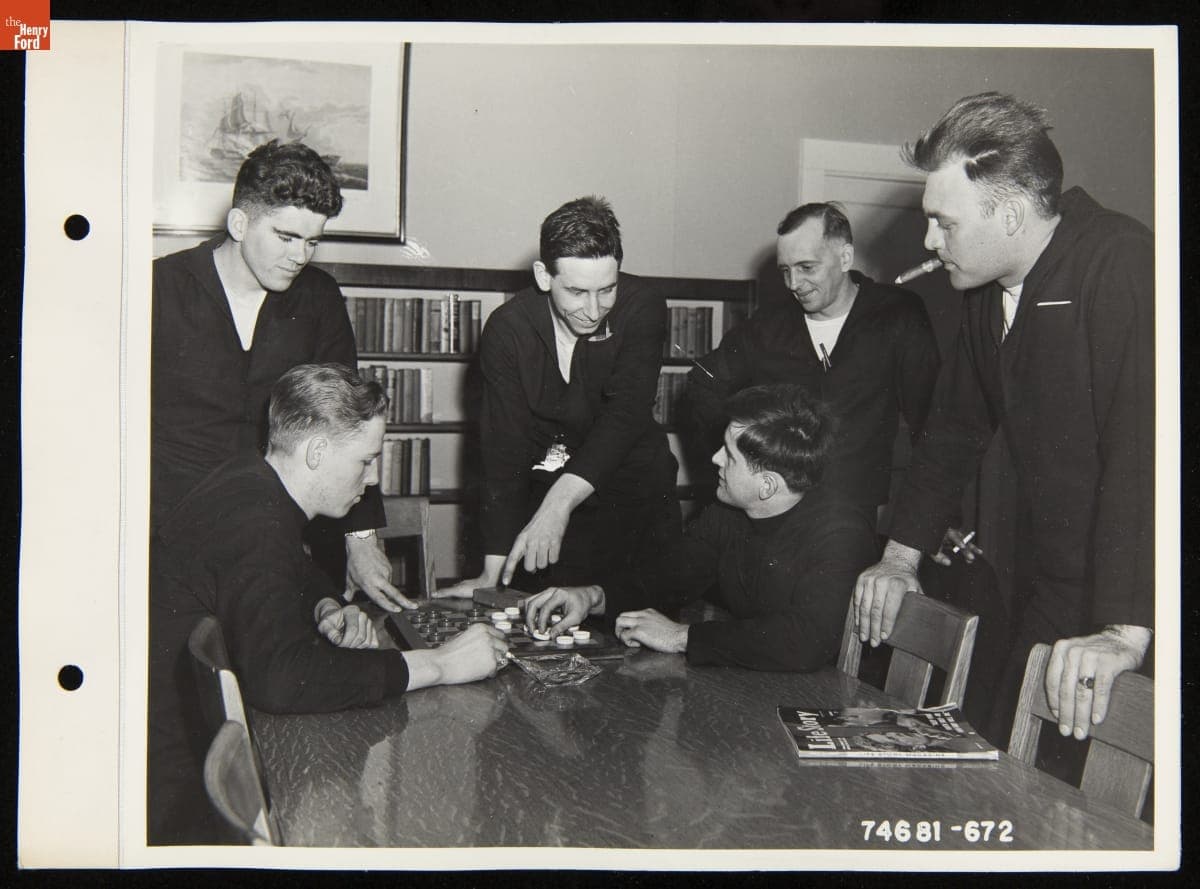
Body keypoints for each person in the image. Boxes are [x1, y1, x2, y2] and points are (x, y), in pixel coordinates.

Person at [854, 92, 1154, 744]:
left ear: (1012, 214)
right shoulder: (988, 296)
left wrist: (1124, 632)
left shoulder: (1123, 263)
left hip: (1134, 602)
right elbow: (951, 435)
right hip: (1044, 582)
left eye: (945, 223)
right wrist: (900, 557)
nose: (929, 243)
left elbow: (1147, 455)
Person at [148, 364, 508, 844]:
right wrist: (438, 664)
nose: (373, 477)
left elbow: (295, 570)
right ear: (317, 451)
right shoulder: (257, 524)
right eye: (366, 461)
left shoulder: (250, 480)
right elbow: (280, 680)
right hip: (174, 785)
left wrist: (325, 607)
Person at [152, 140, 407, 613]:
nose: (300, 256)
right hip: (167, 537)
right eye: (286, 237)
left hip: (275, 536)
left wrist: (362, 539)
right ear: (240, 223)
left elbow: (349, 424)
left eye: (312, 241)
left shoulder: (318, 298)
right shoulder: (158, 288)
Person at [523, 384, 878, 672]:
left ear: (767, 485)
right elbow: (667, 577)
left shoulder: (841, 533)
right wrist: (592, 597)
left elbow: (804, 642)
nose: (714, 459)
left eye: (728, 454)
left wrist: (683, 637)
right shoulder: (728, 512)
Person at [436, 196, 680, 596]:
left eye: (607, 289)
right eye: (577, 292)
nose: (594, 309)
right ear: (543, 276)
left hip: (635, 496)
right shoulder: (507, 330)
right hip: (552, 498)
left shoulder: (643, 306)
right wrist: (491, 574)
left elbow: (626, 414)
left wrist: (557, 506)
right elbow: (504, 452)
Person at [687, 202, 940, 518]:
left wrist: (936, 516)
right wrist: (737, 455)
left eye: (807, 268)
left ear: (845, 258)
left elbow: (933, 422)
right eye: (785, 271)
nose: (794, 284)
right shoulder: (766, 325)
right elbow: (703, 383)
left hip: (854, 514)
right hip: (774, 511)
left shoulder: (898, 315)